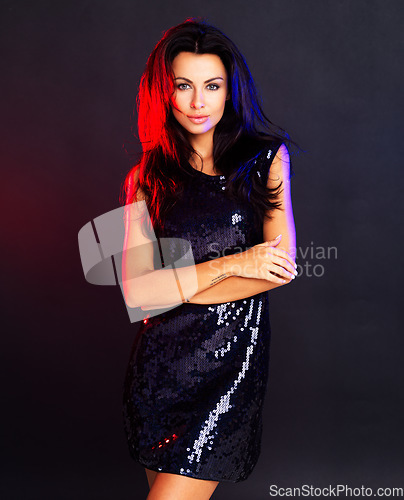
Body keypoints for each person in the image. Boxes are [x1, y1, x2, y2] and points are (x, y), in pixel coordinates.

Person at [120, 17, 300, 500]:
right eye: (184, 86)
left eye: (212, 85)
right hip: (159, 375)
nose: (199, 102)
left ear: (229, 90)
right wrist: (235, 263)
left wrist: (172, 286)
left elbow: (279, 269)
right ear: (165, 92)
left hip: (227, 377)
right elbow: (139, 294)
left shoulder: (265, 159)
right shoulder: (146, 178)